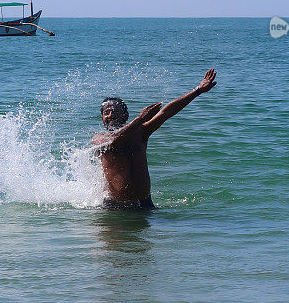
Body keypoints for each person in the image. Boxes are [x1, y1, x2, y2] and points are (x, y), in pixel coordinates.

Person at [92, 69, 217, 209]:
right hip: (114, 208)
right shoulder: (99, 139)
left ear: (126, 115)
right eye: (106, 112)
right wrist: (139, 119)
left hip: (145, 205)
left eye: (114, 111)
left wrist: (197, 91)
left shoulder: (141, 132)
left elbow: (167, 112)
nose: (109, 115)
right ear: (102, 118)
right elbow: (114, 141)